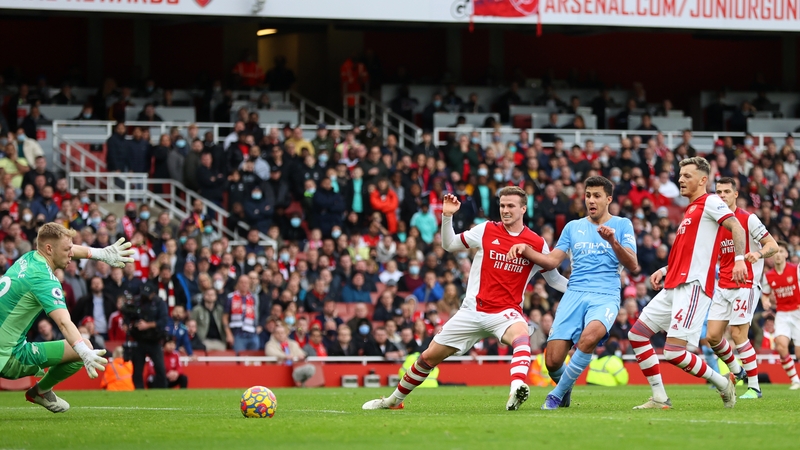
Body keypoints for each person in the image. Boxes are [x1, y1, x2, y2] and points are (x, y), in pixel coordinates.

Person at [362, 187, 568, 412]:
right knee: (428, 357)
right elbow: (449, 245)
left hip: (505, 312)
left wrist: (583, 290)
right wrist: (447, 216)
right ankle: (392, 401)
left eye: (511, 206)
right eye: (502, 206)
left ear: (523, 208)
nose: (505, 210)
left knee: (521, 335)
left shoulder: (536, 242)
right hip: (472, 310)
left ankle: (517, 387)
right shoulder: (486, 229)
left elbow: (554, 279)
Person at [508, 176, 638, 410]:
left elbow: (633, 264)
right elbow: (551, 261)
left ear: (608, 199)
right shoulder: (573, 227)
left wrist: (613, 242)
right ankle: (565, 389)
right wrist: (525, 250)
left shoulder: (622, 224)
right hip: (574, 292)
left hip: (605, 294)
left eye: (597, 195)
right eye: (588, 195)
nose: (591, 200)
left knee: (588, 339)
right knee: (553, 360)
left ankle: (556, 395)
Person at [629, 157, 747, 409]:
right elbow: (690, 253)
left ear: (703, 180)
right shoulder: (691, 209)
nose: (681, 179)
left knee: (672, 351)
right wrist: (665, 269)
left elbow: (736, 226)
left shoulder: (711, 201)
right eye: (680, 175)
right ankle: (660, 397)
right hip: (674, 283)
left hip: (693, 286)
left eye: (687, 175)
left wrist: (739, 260)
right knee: (637, 334)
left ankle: (723, 382)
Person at [0, 223, 133, 412]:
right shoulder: (43, 279)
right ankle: (41, 391)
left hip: (9, 346)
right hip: (9, 356)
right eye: (66, 249)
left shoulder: (28, 258)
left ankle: (41, 391)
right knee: (82, 346)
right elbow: (63, 322)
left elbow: (70, 249)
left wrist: (101, 254)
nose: (71, 253)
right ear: (49, 249)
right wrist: (84, 352)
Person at [706, 177, 778, 399]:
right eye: (718, 192)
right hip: (723, 285)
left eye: (727, 191)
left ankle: (755, 387)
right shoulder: (714, 224)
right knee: (713, 337)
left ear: (736, 194)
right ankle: (738, 371)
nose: (722, 195)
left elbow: (772, 246)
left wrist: (757, 253)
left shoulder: (749, 219)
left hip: (746, 284)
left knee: (738, 334)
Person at [762, 241, 800, 390]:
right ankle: (795, 380)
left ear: (786, 254)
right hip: (782, 314)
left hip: (797, 312)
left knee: (798, 353)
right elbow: (765, 295)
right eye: (775, 252)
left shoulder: (796, 270)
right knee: (781, 346)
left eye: (781, 251)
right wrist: (765, 302)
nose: (778, 255)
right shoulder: (768, 276)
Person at [129, 281, 169, 390]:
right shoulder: (137, 302)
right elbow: (130, 317)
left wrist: (148, 325)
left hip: (154, 340)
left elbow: (164, 321)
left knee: (160, 368)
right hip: (139, 339)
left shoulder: (160, 303)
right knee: (137, 369)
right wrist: (132, 324)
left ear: (153, 293)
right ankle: (139, 390)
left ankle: (163, 390)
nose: (145, 296)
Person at [223, 276, 261, 352]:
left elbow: (256, 314)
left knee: (252, 360)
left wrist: (258, 326)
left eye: (246, 282)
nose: (244, 284)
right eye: (241, 282)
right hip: (238, 333)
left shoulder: (253, 298)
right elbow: (225, 317)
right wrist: (228, 334)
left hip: (252, 333)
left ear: (249, 284)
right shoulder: (231, 297)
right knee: (240, 360)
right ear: (238, 284)